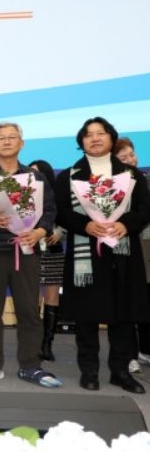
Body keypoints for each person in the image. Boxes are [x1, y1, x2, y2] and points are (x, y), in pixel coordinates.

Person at [0, 122, 61, 388]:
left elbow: (50, 210)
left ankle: (30, 365)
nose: (6, 141)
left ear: (21, 143)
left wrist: (40, 231)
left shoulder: (35, 178)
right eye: (1, 138)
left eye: (12, 137)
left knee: (29, 310)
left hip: (26, 251)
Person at [56, 118, 150, 393]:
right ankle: (89, 370)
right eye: (88, 134)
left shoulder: (131, 175)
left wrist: (126, 224)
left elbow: (145, 209)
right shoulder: (69, 176)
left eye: (101, 133)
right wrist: (84, 224)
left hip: (123, 253)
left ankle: (120, 371)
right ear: (81, 141)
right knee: (86, 314)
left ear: (111, 138)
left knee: (123, 315)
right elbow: (61, 211)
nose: (95, 138)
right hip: (85, 252)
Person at [113, 137, 150, 370]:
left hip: (145, 245)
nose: (131, 159)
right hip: (131, 246)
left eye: (132, 154)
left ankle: (145, 349)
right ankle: (131, 353)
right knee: (131, 300)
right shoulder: (112, 186)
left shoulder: (144, 179)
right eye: (123, 157)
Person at [28, 160, 65, 362]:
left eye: (38, 173)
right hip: (31, 249)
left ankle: (47, 345)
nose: (34, 176)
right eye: (31, 172)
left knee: (52, 296)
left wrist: (60, 232)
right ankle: (32, 343)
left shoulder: (57, 195)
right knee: (31, 297)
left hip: (53, 249)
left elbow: (67, 219)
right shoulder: (24, 196)